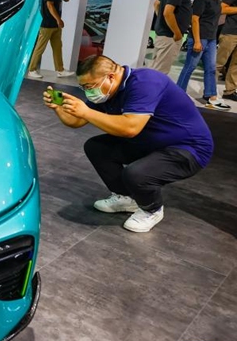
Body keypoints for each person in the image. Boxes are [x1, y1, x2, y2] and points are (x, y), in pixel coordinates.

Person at [43, 55, 213, 233]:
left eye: (89, 86)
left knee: (136, 174)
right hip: (150, 142)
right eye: (83, 87)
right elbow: (76, 122)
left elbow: (130, 128)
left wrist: (85, 112)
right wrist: (58, 109)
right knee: (96, 148)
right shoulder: (107, 92)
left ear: (110, 77)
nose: (87, 92)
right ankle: (128, 198)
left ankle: (151, 209)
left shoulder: (146, 82)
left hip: (189, 148)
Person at [175, 0, 230, 110]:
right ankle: (178, 94)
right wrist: (197, 41)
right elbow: (194, 19)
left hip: (211, 39)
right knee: (190, 67)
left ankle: (211, 97)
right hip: (200, 38)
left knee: (211, 68)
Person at [151, 0, 205, 75]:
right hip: (170, 37)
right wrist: (176, 33)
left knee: (156, 69)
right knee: (160, 73)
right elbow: (168, 12)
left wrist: (162, 22)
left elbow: (157, 4)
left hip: (165, 35)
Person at [28, 0, 73, 79]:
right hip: (48, 24)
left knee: (58, 47)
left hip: (55, 25)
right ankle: (31, 70)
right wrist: (59, 19)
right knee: (40, 47)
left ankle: (60, 70)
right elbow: (49, 5)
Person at [217, 0, 237, 101]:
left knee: (236, 65)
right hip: (231, 32)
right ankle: (209, 90)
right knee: (219, 63)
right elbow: (223, 8)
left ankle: (230, 91)